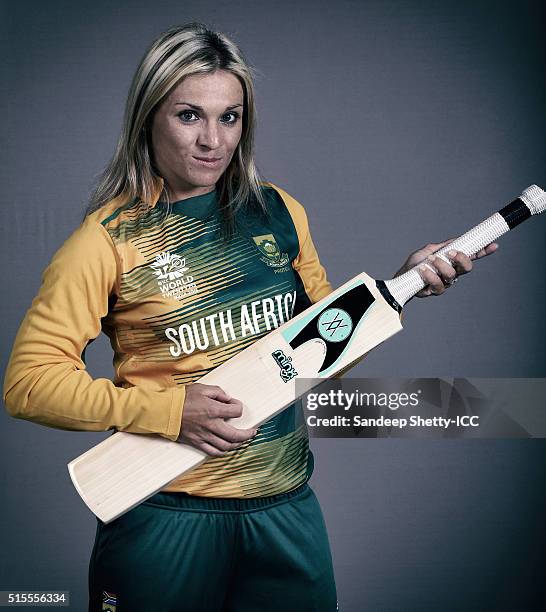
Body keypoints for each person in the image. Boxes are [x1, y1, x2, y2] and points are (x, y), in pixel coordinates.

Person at [2, 22, 497, 612]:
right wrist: (163, 410)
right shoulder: (106, 240)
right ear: (148, 118)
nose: (212, 139)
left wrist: (407, 285)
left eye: (229, 117)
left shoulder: (280, 213)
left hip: (284, 510)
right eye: (189, 115)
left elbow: (314, 359)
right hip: (165, 512)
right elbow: (27, 385)